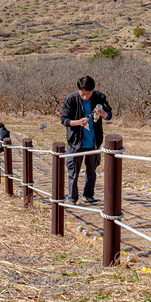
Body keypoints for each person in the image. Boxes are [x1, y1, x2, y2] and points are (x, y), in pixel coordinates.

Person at [60, 75, 112, 205]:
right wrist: (77, 122)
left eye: (88, 94)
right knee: (73, 171)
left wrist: (103, 114)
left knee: (91, 171)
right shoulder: (70, 99)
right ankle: (72, 198)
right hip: (75, 142)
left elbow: (109, 115)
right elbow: (64, 120)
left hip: (94, 142)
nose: (85, 97)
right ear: (78, 90)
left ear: (93, 90)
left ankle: (89, 195)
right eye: (82, 94)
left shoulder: (99, 97)